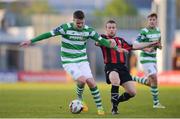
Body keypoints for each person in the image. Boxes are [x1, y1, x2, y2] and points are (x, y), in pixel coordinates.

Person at [20, 10, 120, 115]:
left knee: (91, 82)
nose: (80, 25)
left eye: (82, 23)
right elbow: (48, 34)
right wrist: (31, 41)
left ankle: (100, 108)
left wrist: (115, 47)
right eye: (78, 23)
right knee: (82, 79)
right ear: (73, 21)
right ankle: (80, 99)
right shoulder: (65, 28)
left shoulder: (88, 30)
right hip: (68, 61)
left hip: (82, 60)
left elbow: (102, 41)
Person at [95, 20, 160, 115]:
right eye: (109, 28)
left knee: (132, 92)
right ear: (106, 29)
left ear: (116, 29)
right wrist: (110, 42)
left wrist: (150, 44)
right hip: (110, 67)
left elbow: (133, 46)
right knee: (115, 80)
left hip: (122, 68)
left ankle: (116, 101)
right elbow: (98, 43)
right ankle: (114, 108)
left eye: (113, 27)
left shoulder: (120, 40)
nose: (111, 29)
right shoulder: (103, 37)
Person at [132, 13, 165, 108]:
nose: (152, 21)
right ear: (148, 21)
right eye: (150, 19)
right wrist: (146, 48)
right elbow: (136, 44)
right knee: (154, 77)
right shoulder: (144, 31)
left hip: (153, 59)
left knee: (150, 82)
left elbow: (160, 45)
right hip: (145, 58)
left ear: (156, 21)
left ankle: (133, 78)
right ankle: (156, 103)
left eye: (154, 19)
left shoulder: (158, 31)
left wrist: (159, 46)